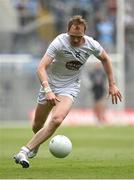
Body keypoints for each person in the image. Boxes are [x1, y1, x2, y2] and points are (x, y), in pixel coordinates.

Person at [13, 15, 122, 168]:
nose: (76, 40)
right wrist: (48, 90)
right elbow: (41, 68)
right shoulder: (59, 42)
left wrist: (112, 84)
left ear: (84, 33)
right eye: (72, 36)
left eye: (79, 37)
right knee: (37, 125)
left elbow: (105, 59)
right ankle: (35, 145)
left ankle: (24, 151)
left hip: (69, 87)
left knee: (57, 119)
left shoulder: (92, 44)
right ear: (67, 32)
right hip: (49, 85)